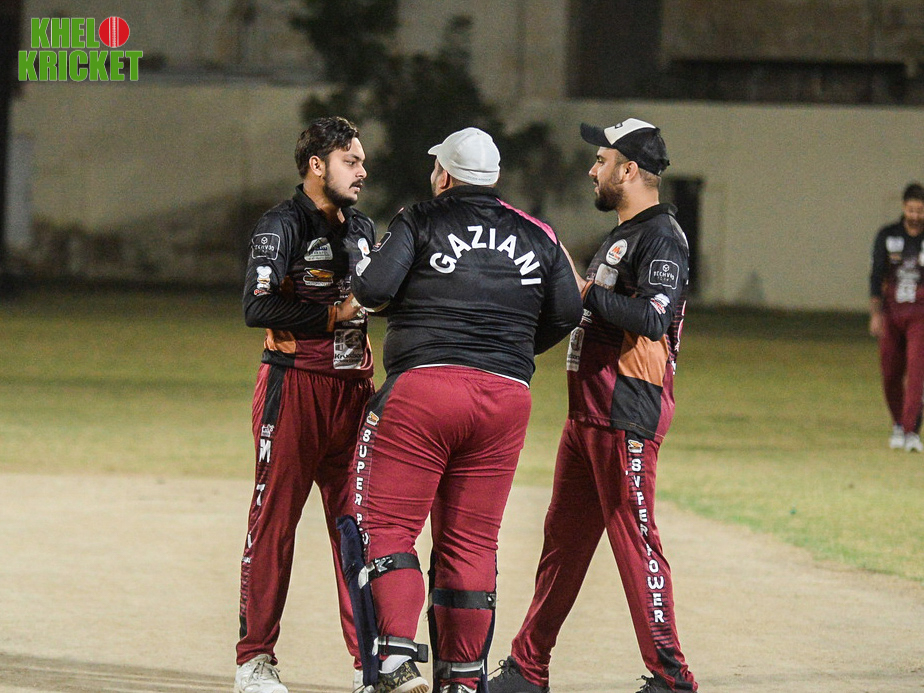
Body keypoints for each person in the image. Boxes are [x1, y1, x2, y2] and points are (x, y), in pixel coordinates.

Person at [339, 127, 583, 693]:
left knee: (387, 526)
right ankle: (464, 677)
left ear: (444, 175)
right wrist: (511, 349)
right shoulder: (539, 233)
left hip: (424, 391)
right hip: (505, 399)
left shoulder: (420, 218)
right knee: (472, 541)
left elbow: (373, 290)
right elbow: (569, 311)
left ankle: (396, 662)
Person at [488, 119, 698, 693]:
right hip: (588, 412)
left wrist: (585, 291)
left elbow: (652, 317)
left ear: (629, 170)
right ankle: (527, 668)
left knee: (636, 542)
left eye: (601, 161)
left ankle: (672, 678)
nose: (592, 170)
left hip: (625, 410)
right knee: (563, 544)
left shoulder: (662, 237)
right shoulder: (624, 235)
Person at [235, 116, 376, 693]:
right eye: (351, 161)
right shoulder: (281, 224)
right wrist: (332, 314)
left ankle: (371, 667)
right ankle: (254, 660)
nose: (362, 171)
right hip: (294, 388)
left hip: (355, 395)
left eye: (361, 161)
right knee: (275, 524)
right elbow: (256, 307)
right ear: (317, 165)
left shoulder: (363, 227)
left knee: (359, 530)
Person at [869, 182, 924, 452]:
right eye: (911, 210)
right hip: (892, 313)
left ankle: (912, 431)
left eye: (920, 211)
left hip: (920, 315)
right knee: (890, 373)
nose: (915, 216)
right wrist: (875, 314)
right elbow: (876, 275)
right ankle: (899, 424)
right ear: (903, 207)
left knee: (916, 372)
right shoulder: (888, 235)